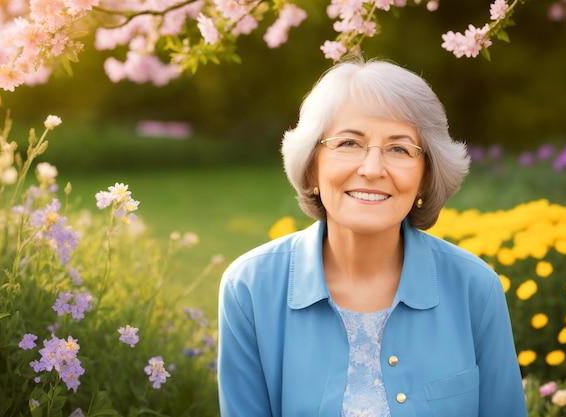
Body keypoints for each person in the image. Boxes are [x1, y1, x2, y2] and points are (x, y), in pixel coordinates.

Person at [217, 56, 527, 417]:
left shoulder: (476, 287)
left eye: (399, 148)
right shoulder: (249, 288)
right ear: (312, 165)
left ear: (426, 175)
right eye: (349, 143)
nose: (373, 169)